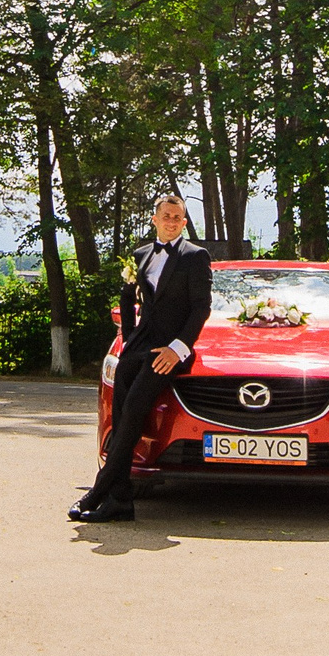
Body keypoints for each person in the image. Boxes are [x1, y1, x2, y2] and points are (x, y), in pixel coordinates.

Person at [70, 192, 211, 523]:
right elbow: (128, 299)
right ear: (155, 219)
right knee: (121, 417)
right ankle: (120, 501)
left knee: (134, 409)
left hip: (169, 352)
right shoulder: (141, 254)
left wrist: (178, 349)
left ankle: (99, 490)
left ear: (185, 222)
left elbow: (200, 308)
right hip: (138, 349)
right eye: (167, 216)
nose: (172, 221)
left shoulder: (196, 256)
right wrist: (130, 339)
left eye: (178, 217)